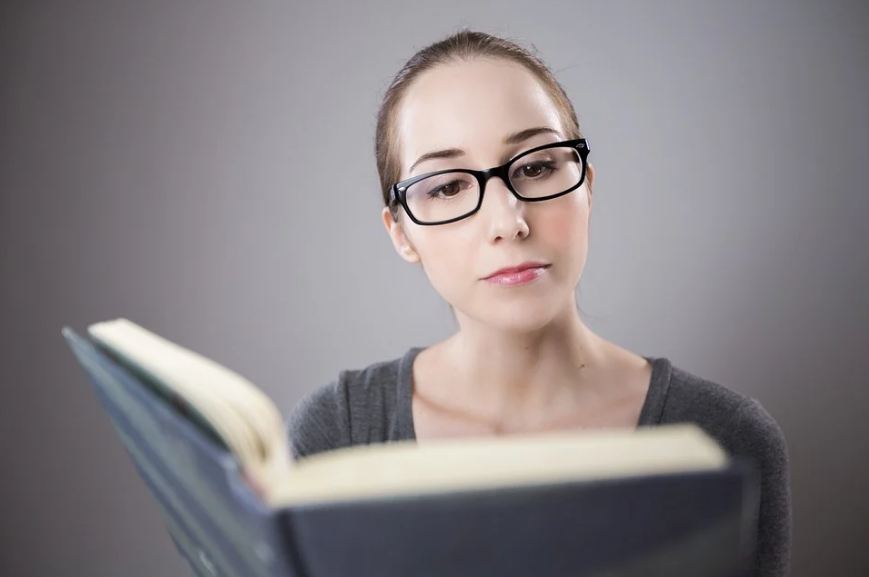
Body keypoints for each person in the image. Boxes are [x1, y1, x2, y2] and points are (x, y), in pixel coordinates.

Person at [287, 28, 792, 577]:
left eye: (535, 167)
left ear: (587, 187)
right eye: (448, 187)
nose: (508, 222)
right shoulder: (338, 435)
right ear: (401, 233)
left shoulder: (726, 439)